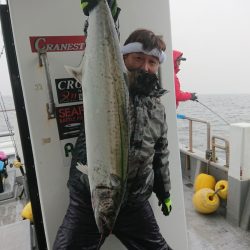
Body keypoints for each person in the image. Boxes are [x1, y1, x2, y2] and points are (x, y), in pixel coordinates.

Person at [53, 2, 172, 250]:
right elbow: (103, 52)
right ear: (123, 57)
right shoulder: (108, 85)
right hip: (89, 198)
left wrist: (165, 191)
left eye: (152, 62)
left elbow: (160, 153)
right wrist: (98, 12)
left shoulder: (158, 108)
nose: (145, 67)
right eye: (138, 58)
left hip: (135, 202)